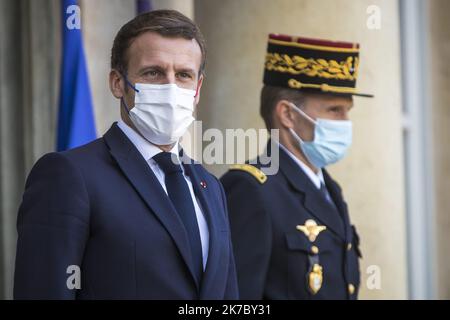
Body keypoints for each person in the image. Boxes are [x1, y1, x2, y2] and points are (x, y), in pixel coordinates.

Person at [14, 9, 238, 300]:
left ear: (197, 89)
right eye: (153, 73)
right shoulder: (70, 175)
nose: (171, 87)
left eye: (183, 75)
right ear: (118, 83)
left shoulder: (210, 186)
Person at [221, 34, 373, 300]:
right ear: (288, 114)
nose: (345, 122)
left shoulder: (328, 188)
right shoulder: (251, 189)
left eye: (348, 110)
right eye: (335, 110)